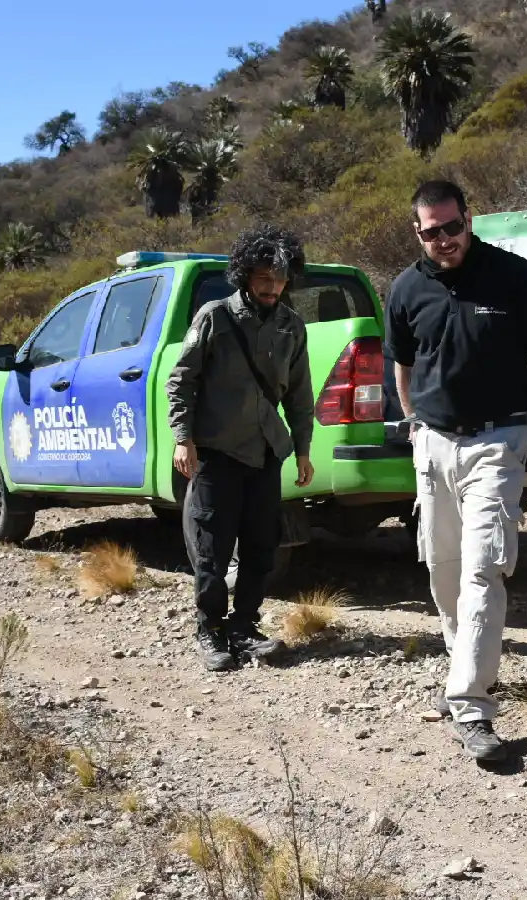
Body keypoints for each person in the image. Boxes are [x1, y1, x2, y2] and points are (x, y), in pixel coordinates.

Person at [384, 180, 527, 762]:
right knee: (442, 571)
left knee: (484, 568)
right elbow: (402, 362)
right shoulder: (406, 289)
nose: (444, 239)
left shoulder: (515, 278)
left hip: (499, 441)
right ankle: (459, 667)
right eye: (431, 231)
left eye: (452, 226)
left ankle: (472, 704)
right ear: (417, 232)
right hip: (434, 445)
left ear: (470, 218)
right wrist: (415, 423)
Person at [165, 224, 316, 672]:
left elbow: (300, 396)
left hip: (266, 452)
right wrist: (183, 439)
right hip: (216, 451)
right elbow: (182, 381)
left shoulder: (292, 326)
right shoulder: (215, 316)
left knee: (259, 546)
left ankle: (244, 626)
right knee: (212, 548)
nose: (274, 288)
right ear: (245, 275)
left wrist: (303, 450)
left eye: (282, 279)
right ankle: (209, 630)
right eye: (265, 279)